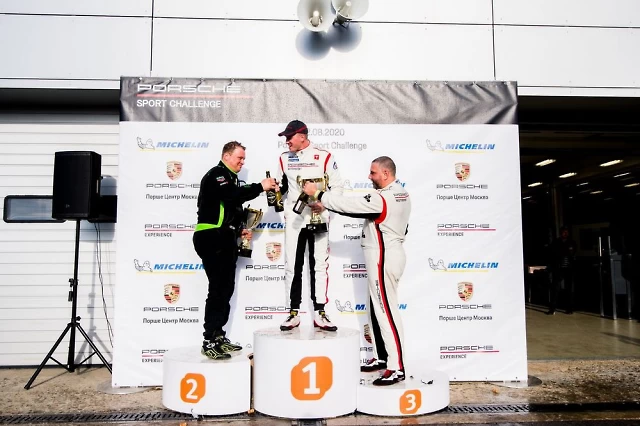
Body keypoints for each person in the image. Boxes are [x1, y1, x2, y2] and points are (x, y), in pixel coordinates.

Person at [302, 156, 410, 386]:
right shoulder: (402, 193)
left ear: (386, 174)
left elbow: (351, 206)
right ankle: (383, 358)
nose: (369, 177)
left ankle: (396, 367)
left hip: (383, 257)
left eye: (373, 172)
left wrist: (318, 194)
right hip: (390, 253)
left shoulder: (382, 197)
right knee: (377, 308)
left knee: (386, 312)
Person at [193, 141, 277, 359]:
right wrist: (260, 187)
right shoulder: (217, 174)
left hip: (225, 238)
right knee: (217, 289)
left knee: (226, 289)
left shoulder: (231, 178)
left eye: (244, 159)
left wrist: (240, 229)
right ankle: (208, 341)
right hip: (211, 236)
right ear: (227, 156)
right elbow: (232, 195)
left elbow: (231, 207)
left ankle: (219, 336)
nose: (242, 162)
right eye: (239, 158)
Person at [274, 120, 343, 332]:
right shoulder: (284, 158)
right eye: (285, 137)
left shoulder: (324, 156)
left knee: (319, 265)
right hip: (295, 219)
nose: (287, 141)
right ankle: (293, 312)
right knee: (292, 265)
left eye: (290, 137)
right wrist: (273, 192)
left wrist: (324, 204)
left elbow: (338, 187)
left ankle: (320, 312)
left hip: (318, 217)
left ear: (302, 136)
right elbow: (280, 188)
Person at [546, 226, 577, 315]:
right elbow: (552, 254)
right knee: (555, 288)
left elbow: (573, 253)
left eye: (567, 232)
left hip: (569, 268)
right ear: (561, 233)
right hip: (558, 268)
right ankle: (552, 309)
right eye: (564, 232)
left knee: (569, 289)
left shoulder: (572, 242)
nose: (565, 233)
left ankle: (569, 308)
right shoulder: (556, 242)